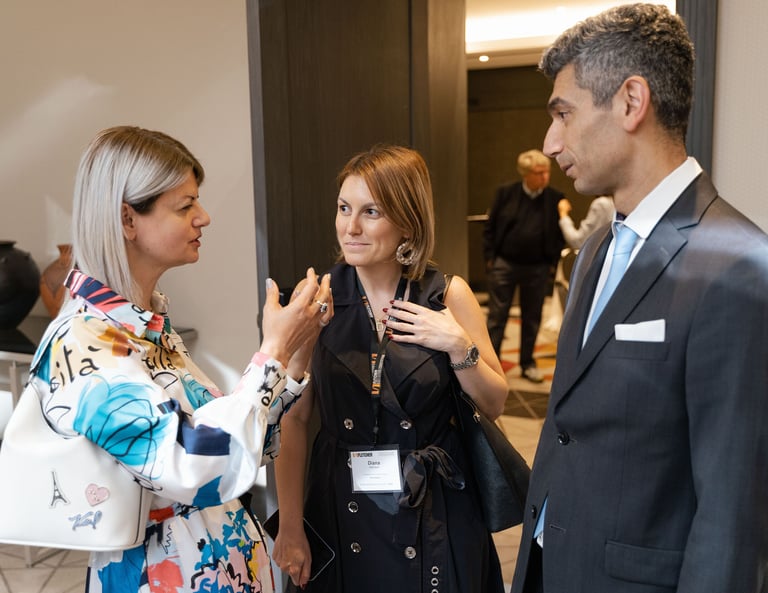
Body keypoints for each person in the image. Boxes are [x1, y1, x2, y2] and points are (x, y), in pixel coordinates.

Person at [512, 4, 768, 593]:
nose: (550, 142)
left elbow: (733, 514)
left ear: (631, 101)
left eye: (563, 113)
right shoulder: (596, 249)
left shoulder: (737, 265)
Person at [36, 125, 333, 593]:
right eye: (185, 205)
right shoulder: (83, 343)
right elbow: (192, 466)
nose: (204, 217)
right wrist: (272, 352)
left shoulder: (145, 327)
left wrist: (294, 357)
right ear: (127, 219)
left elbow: (238, 446)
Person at [272, 145, 509, 593]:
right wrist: (290, 524)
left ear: (407, 222)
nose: (351, 227)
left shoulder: (447, 295)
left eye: (371, 212)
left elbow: (495, 403)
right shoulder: (315, 299)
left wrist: (457, 345)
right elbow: (294, 418)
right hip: (341, 501)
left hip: (434, 503)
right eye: (344, 208)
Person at [483, 149, 565, 383]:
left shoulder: (555, 198)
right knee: (497, 317)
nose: (544, 177)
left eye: (547, 172)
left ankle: (527, 363)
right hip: (505, 264)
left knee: (532, 317)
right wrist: (490, 258)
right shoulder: (506, 193)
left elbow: (559, 234)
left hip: (537, 267)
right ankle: (491, 364)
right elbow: (490, 228)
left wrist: (552, 263)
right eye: (539, 173)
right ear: (525, 174)